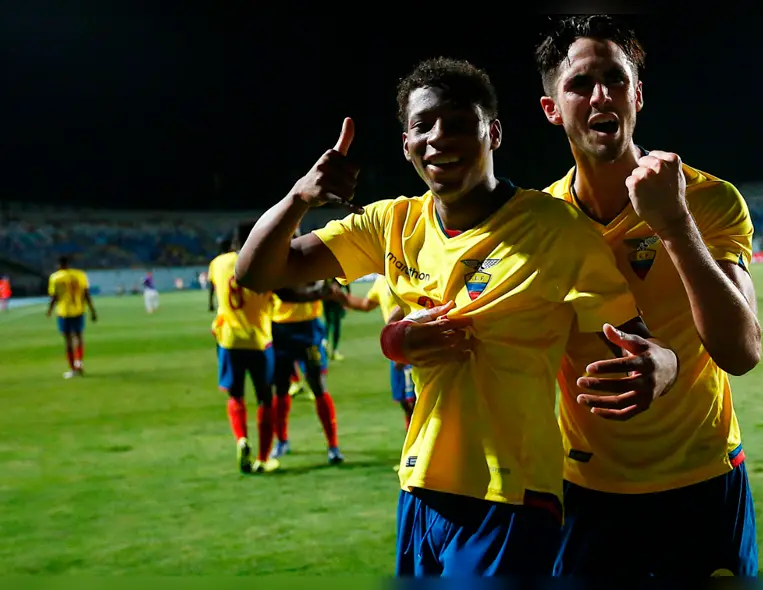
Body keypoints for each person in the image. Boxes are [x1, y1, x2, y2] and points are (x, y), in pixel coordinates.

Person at [235, 57, 677, 577]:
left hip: (511, 494)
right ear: (406, 143)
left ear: (493, 132)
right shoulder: (391, 224)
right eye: (423, 125)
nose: (439, 138)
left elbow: (637, 342)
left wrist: (662, 364)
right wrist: (299, 197)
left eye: (460, 124)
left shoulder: (555, 229)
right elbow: (258, 271)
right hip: (421, 485)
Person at [534, 15, 762, 577]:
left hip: (704, 480)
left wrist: (675, 224)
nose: (600, 95)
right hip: (588, 490)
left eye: (615, 79)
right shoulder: (540, 224)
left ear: (637, 95)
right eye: (580, 84)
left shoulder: (706, 200)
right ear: (552, 109)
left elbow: (741, 351)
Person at [269, 264, 370, 465]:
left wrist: (325, 290)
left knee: (318, 385)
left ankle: (333, 445)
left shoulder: (310, 260)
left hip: (308, 329)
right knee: (280, 388)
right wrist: (317, 292)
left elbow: (324, 284)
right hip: (279, 328)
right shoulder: (277, 261)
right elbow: (290, 293)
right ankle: (281, 440)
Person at [208, 223, 279, 474]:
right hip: (260, 340)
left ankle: (241, 439)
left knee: (235, 395)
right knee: (265, 399)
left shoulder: (218, 263)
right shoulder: (266, 263)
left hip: (229, 340)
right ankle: (262, 458)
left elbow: (216, 292)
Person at [363, 274, 414, 429]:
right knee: (404, 402)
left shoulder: (406, 275)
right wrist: (341, 298)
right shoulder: (381, 280)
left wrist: (402, 348)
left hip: (409, 341)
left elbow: (412, 301)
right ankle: (412, 443)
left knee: (416, 400)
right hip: (395, 346)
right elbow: (366, 304)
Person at [46, 256, 98, 378]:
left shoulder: (55, 277)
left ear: (59, 265)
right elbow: (86, 294)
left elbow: (54, 297)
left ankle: (73, 368)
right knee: (79, 336)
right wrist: (92, 311)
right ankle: (79, 362)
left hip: (64, 312)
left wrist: (49, 310)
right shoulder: (80, 275)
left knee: (68, 339)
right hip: (79, 310)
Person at [323, 279, 348, 361]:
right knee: (336, 324)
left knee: (328, 321)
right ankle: (334, 351)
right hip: (335, 296)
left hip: (325, 296)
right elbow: (344, 280)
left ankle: (325, 342)